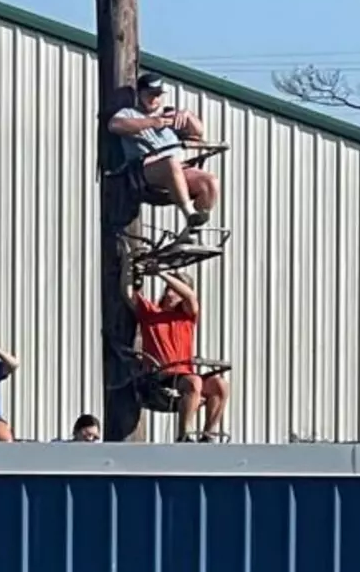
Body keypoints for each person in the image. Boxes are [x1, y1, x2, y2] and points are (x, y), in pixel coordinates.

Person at [121, 260, 230, 442]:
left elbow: (191, 297)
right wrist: (127, 263)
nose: (170, 293)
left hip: (182, 376)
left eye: (175, 290)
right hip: (160, 377)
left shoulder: (187, 316)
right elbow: (127, 293)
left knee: (220, 385)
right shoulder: (150, 312)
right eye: (168, 289)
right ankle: (184, 435)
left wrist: (161, 273)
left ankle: (208, 435)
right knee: (194, 382)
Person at [107, 72, 219, 228]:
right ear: (139, 94)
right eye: (150, 95)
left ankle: (193, 229)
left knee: (209, 181)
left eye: (158, 95)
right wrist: (152, 122)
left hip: (176, 169)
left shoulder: (170, 114)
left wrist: (187, 115)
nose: (154, 99)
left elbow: (198, 132)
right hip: (145, 170)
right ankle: (189, 212)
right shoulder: (130, 113)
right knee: (170, 163)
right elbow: (115, 125)